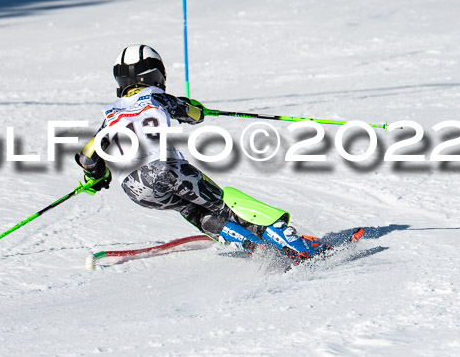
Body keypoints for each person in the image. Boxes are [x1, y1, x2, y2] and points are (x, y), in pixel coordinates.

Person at [75, 44, 330, 263]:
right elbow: (192, 114)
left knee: (192, 211)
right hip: (165, 168)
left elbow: (88, 157)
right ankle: (290, 242)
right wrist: (195, 108)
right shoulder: (156, 97)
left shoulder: (110, 116)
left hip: (135, 189)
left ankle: (253, 246)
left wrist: (96, 177)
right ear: (156, 74)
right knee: (224, 203)